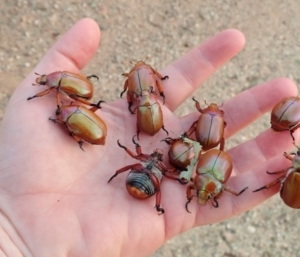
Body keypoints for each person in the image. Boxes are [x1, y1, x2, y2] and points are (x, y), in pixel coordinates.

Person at [0, 18, 297, 256]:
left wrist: (15, 237)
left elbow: (138, 161)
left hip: (147, 169)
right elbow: (163, 168)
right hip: (152, 173)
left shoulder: (167, 167)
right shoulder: (169, 171)